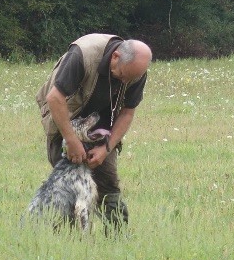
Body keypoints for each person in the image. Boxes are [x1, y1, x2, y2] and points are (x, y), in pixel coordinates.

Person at [36, 34, 152, 232]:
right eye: (123, 75)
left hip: (101, 131)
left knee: (108, 187)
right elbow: (55, 98)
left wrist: (106, 149)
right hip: (65, 122)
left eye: (132, 78)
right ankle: (67, 240)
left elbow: (127, 112)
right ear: (115, 56)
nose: (126, 81)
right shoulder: (82, 55)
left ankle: (118, 240)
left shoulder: (135, 73)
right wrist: (71, 141)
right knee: (67, 188)